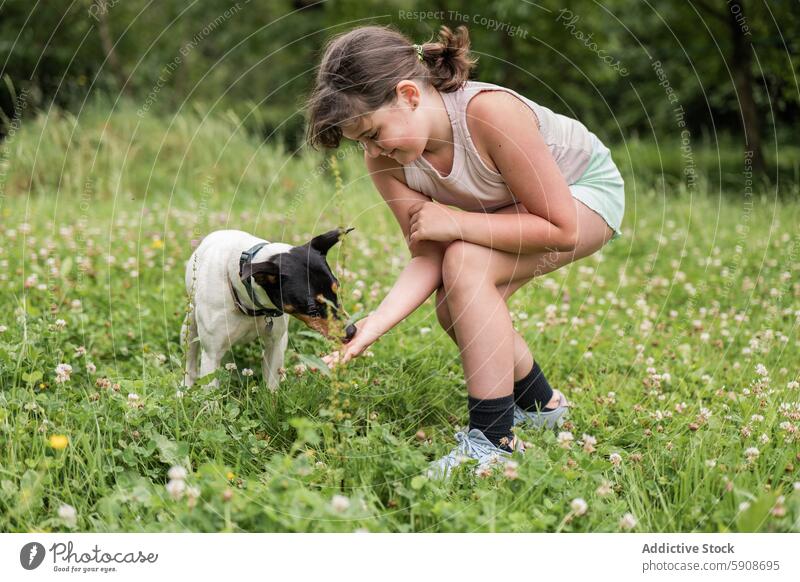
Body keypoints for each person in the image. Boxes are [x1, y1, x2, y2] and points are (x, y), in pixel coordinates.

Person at [304, 24, 625, 478]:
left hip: (580, 195)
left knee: (466, 261)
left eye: (375, 133)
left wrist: (455, 221)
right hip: (512, 210)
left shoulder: (489, 114)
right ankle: (541, 405)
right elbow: (427, 254)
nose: (373, 150)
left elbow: (561, 227)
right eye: (362, 142)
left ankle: (493, 441)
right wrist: (374, 323)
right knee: (453, 303)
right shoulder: (385, 162)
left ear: (409, 95)